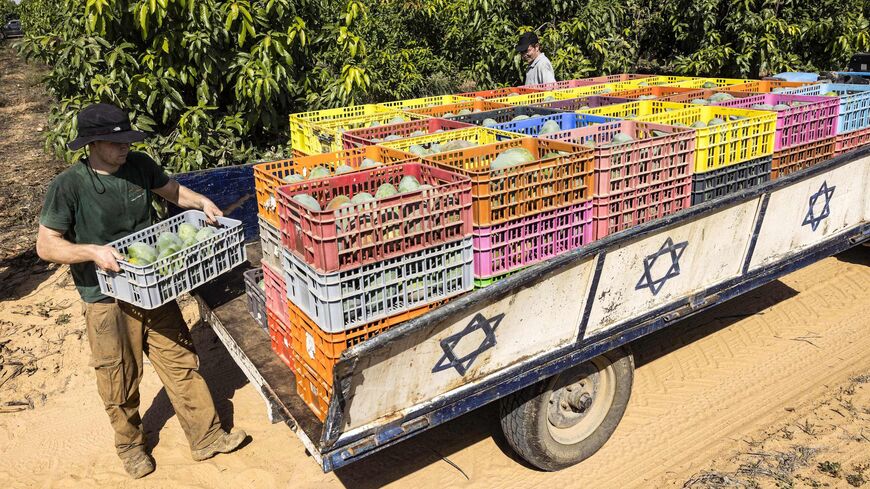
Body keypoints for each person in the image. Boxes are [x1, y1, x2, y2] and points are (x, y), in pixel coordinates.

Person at [36, 103, 247, 479]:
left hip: (153, 286)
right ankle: (131, 448)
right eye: (116, 143)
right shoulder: (68, 186)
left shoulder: (140, 165)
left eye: (127, 141)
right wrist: (91, 252)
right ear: (93, 143)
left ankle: (207, 437)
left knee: (180, 360)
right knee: (119, 377)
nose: (125, 148)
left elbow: (173, 191)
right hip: (106, 298)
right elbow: (47, 245)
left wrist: (201, 202)